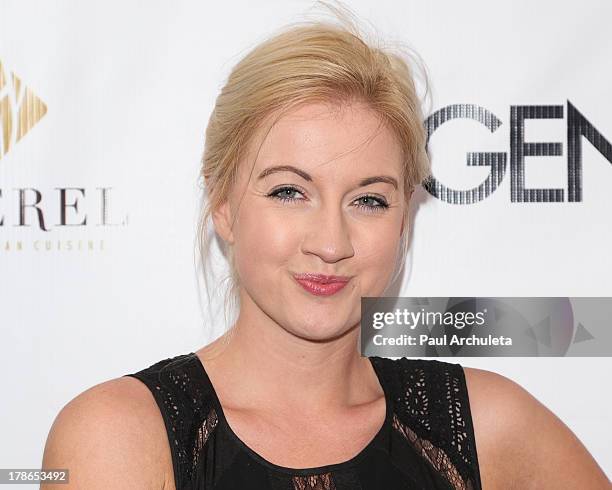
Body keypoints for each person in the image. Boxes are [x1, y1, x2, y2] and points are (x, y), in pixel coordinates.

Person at [41, 5, 610, 490]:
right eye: (289, 192)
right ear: (222, 204)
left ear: (405, 217)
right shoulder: (119, 435)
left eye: (369, 200)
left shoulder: (485, 425)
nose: (332, 243)